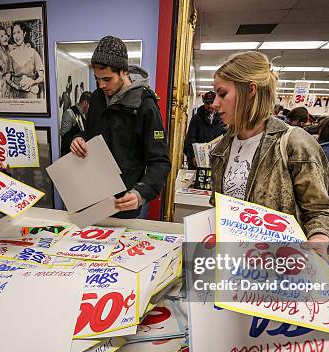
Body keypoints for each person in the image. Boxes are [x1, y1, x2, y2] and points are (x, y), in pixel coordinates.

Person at [209, 50, 329, 352]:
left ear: (250, 90)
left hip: (272, 274)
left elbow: (321, 210)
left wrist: (318, 239)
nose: (215, 103)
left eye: (222, 93)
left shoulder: (292, 142)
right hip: (228, 270)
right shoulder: (222, 146)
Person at [70, 36, 170, 219]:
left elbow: (160, 161)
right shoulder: (98, 98)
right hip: (90, 200)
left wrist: (140, 194)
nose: (101, 85)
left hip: (123, 205)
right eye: (97, 79)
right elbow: (92, 134)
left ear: (123, 71)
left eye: (107, 79)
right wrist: (79, 138)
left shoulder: (145, 106)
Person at [183, 91, 225, 169]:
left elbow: (226, 138)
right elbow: (190, 139)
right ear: (204, 103)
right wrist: (193, 157)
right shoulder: (196, 118)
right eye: (207, 103)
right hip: (198, 160)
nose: (210, 106)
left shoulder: (222, 119)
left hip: (216, 160)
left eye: (212, 103)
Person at [8, 22, 44, 99]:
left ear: (24, 33)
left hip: (31, 95)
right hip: (16, 95)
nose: (16, 36)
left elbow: (42, 77)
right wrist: (17, 87)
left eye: (18, 32)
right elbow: (7, 78)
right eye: (14, 33)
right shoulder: (11, 55)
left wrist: (32, 82)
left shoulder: (33, 52)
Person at [60, 91, 91, 156]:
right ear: (85, 102)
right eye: (90, 105)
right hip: (69, 153)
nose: (90, 108)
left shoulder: (84, 114)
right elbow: (64, 134)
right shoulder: (69, 113)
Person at [0, 26, 15, 99]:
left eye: (5, 34)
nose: (5, 37)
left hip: (14, 84)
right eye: (2, 36)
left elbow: (19, 46)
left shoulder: (10, 47)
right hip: (5, 87)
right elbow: (5, 69)